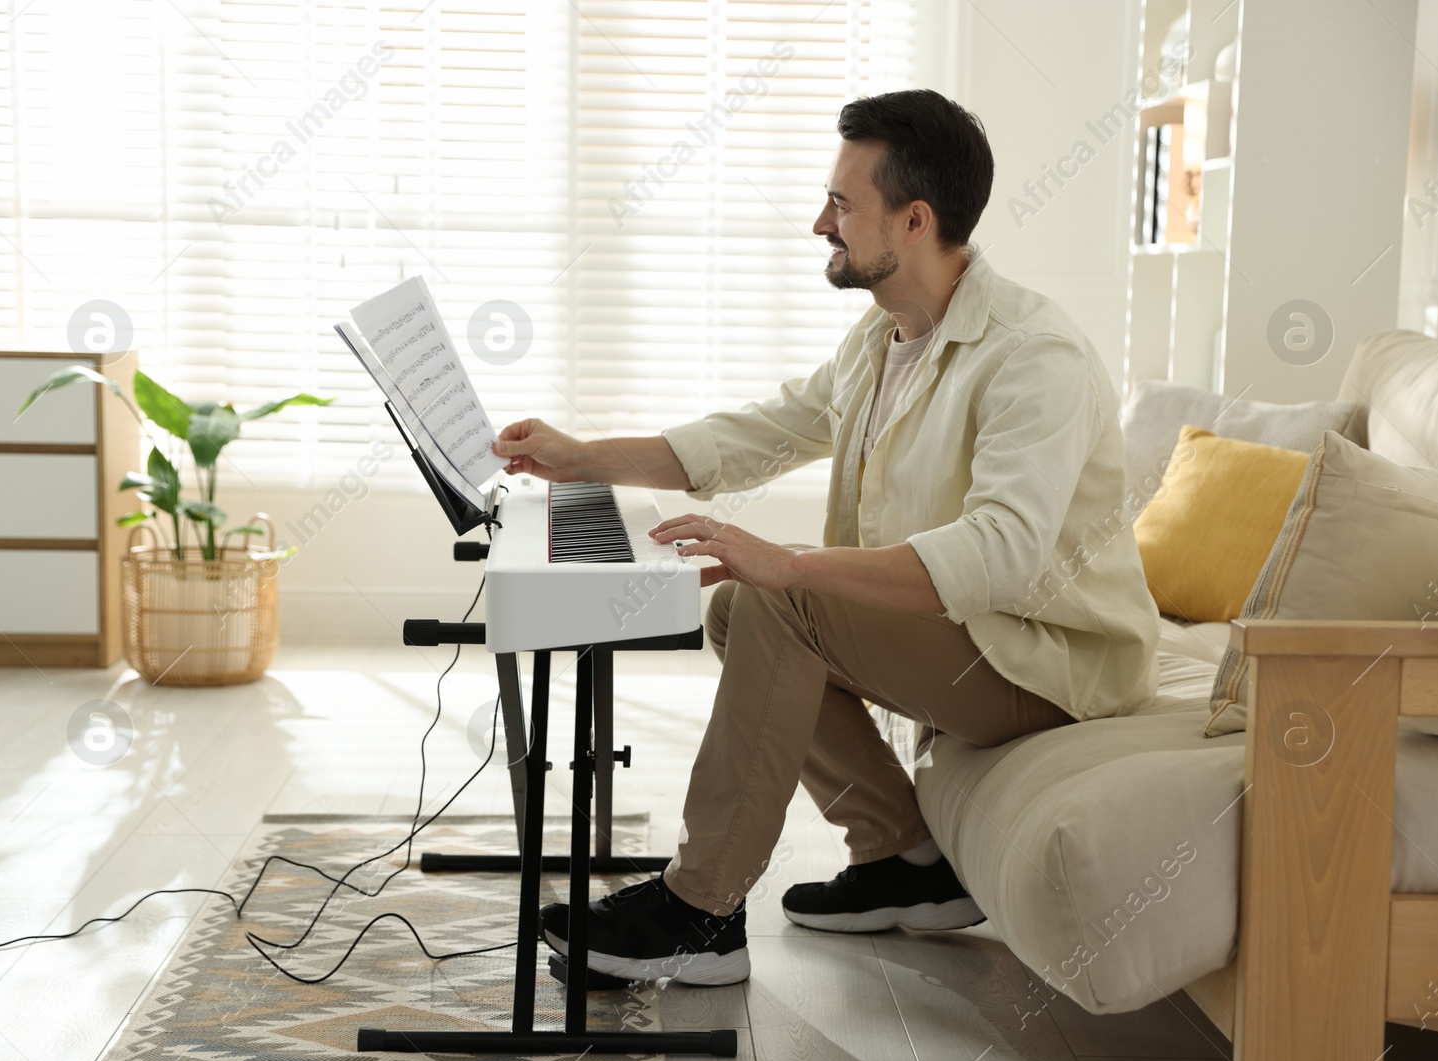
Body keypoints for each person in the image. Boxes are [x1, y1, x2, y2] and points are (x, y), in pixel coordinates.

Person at [492, 88, 1161, 986]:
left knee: (778, 600)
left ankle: (700, 910)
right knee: (741, 607)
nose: (820, 223)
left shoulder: (1034, 356)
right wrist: (581, 459)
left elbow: (1003, 552)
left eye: (842, 205)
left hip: (1050, 664)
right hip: (978, 644)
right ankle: (902, 859)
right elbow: (758, 434)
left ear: (914, 220)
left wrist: (791, 563)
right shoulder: (883, 338)